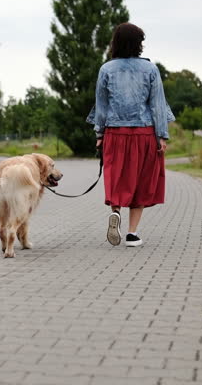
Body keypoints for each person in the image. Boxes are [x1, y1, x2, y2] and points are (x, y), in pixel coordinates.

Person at [86, 22, 173, 247]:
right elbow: (157, 105)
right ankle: (132, 234)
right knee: (141, 181)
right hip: (144, 133)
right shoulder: (151, 69)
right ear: (138, 44)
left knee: (117, 177)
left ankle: (116, 212)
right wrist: (161, 136)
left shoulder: (106, 69)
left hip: (115, 133)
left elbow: (101, 106)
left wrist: (99, 133)